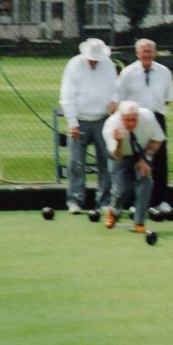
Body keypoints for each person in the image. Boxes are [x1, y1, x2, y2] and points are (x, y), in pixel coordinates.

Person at [116, 37, 173, 213]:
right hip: (135, 119)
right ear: (137, 53)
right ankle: (136, 202)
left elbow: (168, 98)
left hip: (157, 118)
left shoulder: (164, 72)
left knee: (159, 159)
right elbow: (119, 98)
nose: (147, 54)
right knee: (136, 159)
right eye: (144, 51)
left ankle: (160, 200)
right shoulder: (127, 72)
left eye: (150, 51)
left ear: (154, 53)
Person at [59, 37, 117, 214]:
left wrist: (114, 103)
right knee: (76, 162)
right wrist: (72, 122)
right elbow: (67, 94)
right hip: (80, 120)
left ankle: (104, 201)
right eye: (92, 59)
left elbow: (116, 88)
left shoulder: (108, 64)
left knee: (106, 162)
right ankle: (75, 201)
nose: (94, 62)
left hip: (103, 119)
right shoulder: (74, 65)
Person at [102, 100, 165, 231]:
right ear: (120, 117)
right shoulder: (111, 125)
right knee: (121, 190)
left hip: (141, 151)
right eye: (127, 120)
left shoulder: (148, 117)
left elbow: (158, 139)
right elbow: (116, 155)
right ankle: (114, 211)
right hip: (120, 154)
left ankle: (139, 222)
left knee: (145, 180)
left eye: (134, 119)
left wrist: (146, 159)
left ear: (138, 116)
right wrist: (119, 142)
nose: (131, 123)